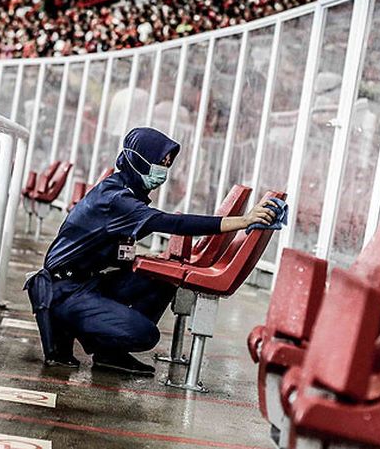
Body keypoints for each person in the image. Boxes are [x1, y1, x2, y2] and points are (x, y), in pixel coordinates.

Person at [24, 127, 278, 375]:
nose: (163, 170)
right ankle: (63, 323)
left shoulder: (127, 191)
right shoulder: (117, 199)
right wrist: (243, 221)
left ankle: (109, 353)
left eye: (167, 163)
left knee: (160, 279)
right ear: (137, 161)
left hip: (87, 282)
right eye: (159, 162)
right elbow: (173, 223)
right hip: (63, 290)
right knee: (144, 334)